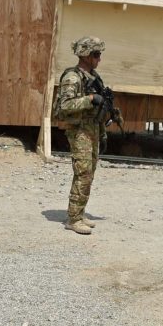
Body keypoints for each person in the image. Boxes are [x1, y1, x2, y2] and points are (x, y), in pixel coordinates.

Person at [54, 36, 114, 235]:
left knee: (89, 173)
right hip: (79, 130)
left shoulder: (93, 77)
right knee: (83, 173)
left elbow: (98, 110)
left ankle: (79, 213)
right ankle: (73, 219)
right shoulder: (72, 77)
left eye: (99, 54)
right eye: (96, 54)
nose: (99, 59)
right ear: (86, 55)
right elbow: (65, 105)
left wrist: (103, 132)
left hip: (92, 129)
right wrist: (89, 99)